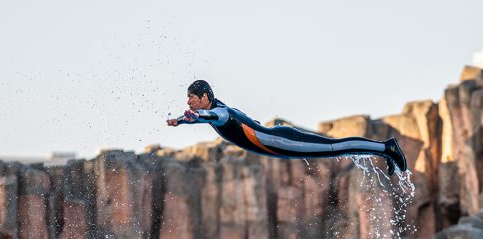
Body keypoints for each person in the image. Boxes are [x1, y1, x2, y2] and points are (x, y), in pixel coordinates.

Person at [167, 80, 408, 175]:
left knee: (336, 147)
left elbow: (212, 116)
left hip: (282, 142)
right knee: (335, 148)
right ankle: (382, 151)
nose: (189, 102)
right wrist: (182, 119)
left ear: (205, 96)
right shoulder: (216, 107)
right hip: (279, 138)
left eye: (192, 97)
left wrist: (191, 117)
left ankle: (386, 147)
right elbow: (201, 116)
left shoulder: (221, 112)